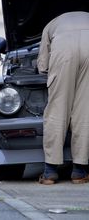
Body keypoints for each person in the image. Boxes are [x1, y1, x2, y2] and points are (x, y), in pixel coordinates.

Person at [37, 11, 89, 185]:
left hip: (64, 50)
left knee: (57, 111)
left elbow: (43, 65)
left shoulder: (52, 24)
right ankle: (79, 172)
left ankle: (50, 171)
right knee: (85, 113)